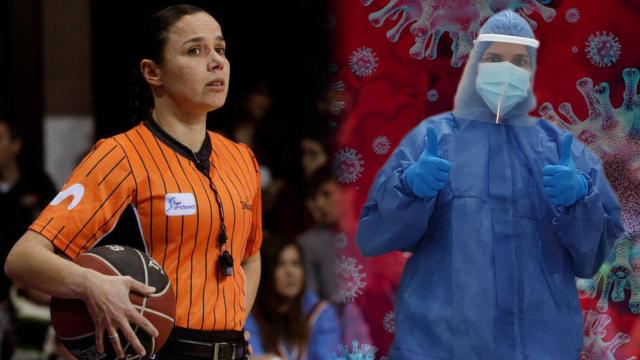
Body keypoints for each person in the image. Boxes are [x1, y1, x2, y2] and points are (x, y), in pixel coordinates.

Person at [355, 10, 624, 359]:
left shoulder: (562, 151)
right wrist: (408, 190)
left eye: (517, 61)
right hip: (439, 343)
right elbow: (375, 235)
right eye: (495, 58)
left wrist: (580, 203)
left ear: (530, 71)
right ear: (477, 64)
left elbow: (594, 258)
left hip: (538, 345)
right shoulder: (434, 138)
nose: (505, 70)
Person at [5, 4, 262, 360]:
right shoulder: (120, 155)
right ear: (153, 72)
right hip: (159, 350)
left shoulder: (242, 159)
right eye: (194, 50)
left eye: (220, 49)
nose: (216, 61)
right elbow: (23, 259)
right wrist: (92, 285)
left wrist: (233, 323)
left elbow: (249, 255)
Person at [245, 239, 340, 360]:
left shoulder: (321, 313)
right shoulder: (252, 313)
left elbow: (327, 356)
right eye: (280, 264)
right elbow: (252, 355)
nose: (290, 272)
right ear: (267, 272)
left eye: (295, 263)